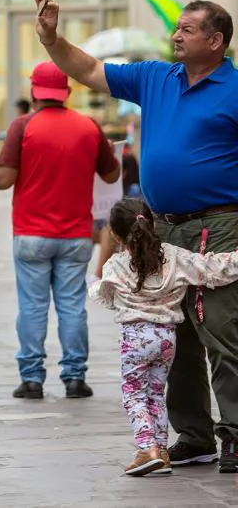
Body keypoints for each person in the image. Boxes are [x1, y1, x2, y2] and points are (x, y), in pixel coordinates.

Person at [37, 0, 238, 472]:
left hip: (220, 225)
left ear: (215, 40)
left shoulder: (234, 88)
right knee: (174, 329)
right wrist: (50, 38)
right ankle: (194, 434)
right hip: (164, 226)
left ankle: (234, 433)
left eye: (188, 29)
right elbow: (87, 69)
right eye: (177, 28)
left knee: (223, 330)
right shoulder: (156, 77)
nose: (177, 35)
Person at [0, 61, 120, 400]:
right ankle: (75, 378)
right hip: (77, 235)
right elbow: (111, 176)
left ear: (34, 92)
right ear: (65, 92)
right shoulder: (89, 127)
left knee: (33, 307)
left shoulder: (23, 126)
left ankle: (32, 379)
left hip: (31, 233)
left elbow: (4, 179)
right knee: (72, 306)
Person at [89, 198, 238, 476]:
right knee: (156, 393)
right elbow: (210, 268)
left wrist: (101, 288)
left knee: (134, 394)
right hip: (167, 339)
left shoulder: (116, 265)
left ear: (115, 235)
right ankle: (161, 451)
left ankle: (147, 448)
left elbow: (104, 296)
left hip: (136, 340)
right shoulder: (173, 256)